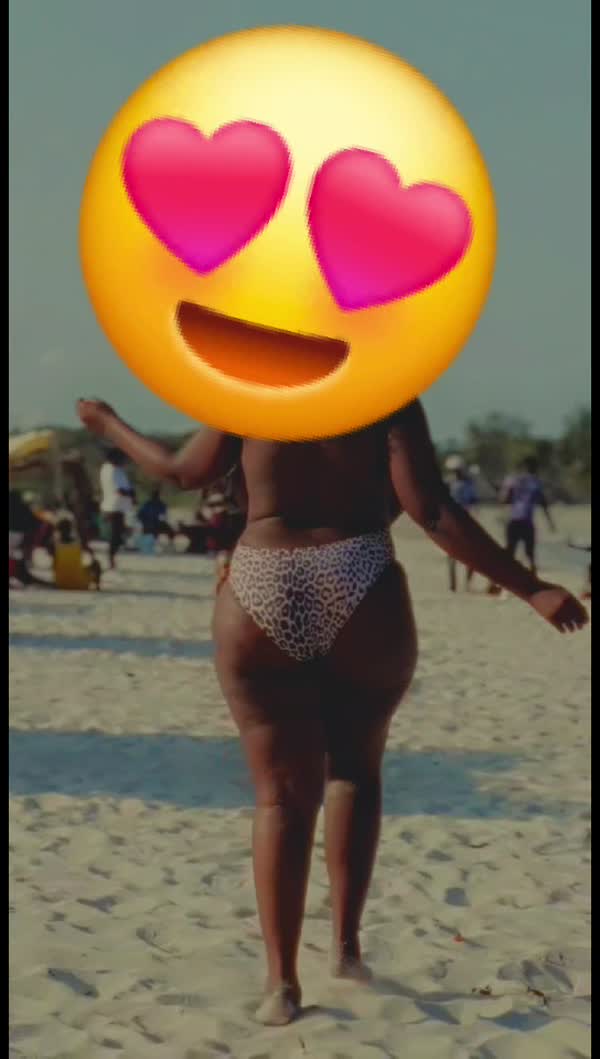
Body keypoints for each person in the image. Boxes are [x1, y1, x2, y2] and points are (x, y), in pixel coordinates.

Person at [77, 398, 587, 1026]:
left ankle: (281, 983)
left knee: (279, 799)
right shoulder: (387, 388)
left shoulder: (251, 385)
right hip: (359, 571)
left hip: (263, 575)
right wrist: (530, 587)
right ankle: (345, 952)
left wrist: (109, 425)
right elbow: (430, 509)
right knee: (354, 771)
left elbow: (183, 471)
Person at [500, 457, 555, 577]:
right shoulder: (535, 482)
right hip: (526, 521)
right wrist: (550, 522)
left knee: (510, 552)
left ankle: (502, 578)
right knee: (530, 554)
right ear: (535, 468)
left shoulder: (513, 480)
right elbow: (543, 503)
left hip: (513, 520)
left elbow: (504, 500)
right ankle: (533, 579)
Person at [99, 448, 134, 569]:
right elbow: (119, 489)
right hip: (113, 506)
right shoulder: (111, 470)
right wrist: (131, 493)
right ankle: (111, 559)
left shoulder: (116, 469)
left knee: (118, 535)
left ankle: (111, 558)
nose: (124, 461)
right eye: (122, 458)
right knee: (116, 536)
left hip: (119, 506)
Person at [446, 464, 478, 591]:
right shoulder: (467, 484)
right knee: (468, 554)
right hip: (462, 521)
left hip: (456, 520)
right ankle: (462, 583)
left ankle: (455, 584)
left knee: (455, 554)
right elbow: (474, 501)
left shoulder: (451, 484)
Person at [53, 517, 101, 591]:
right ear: (71, 529)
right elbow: (92, 555)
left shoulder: (54, 544)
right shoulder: (79, 542)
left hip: (60, 583)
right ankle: (97, 585)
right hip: (79, 583)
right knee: (96, 563)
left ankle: (62, 578)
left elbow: (54, 564)